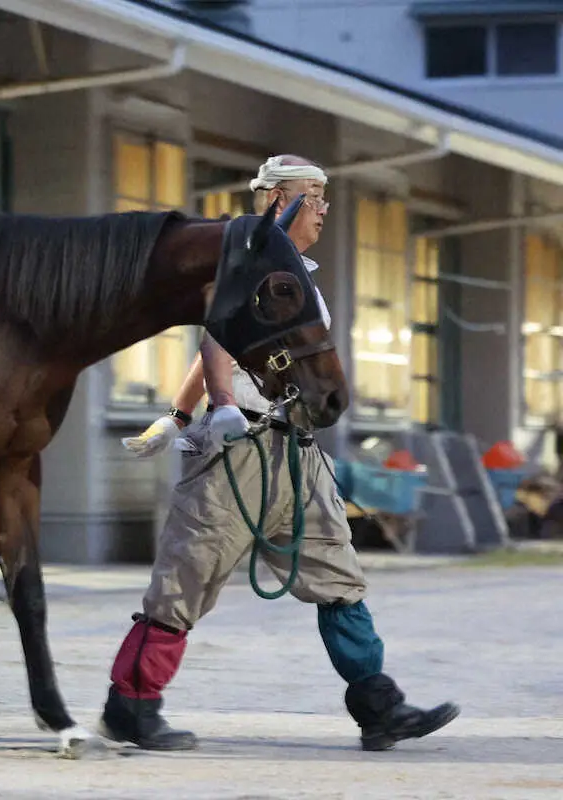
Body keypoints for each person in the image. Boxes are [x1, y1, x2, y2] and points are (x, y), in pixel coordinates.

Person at [99, 155, 460, 753]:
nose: (322, 209)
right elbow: (216, 337)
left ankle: (379, 706)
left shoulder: (297, 274)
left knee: (337, 571)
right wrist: (210, 410)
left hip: (297, 449)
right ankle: (131, 706)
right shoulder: (243, 261)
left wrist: (178, 411)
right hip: (239, 451)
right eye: (312, 196)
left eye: (324, 197)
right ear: (275, 201)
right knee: (187, 578)